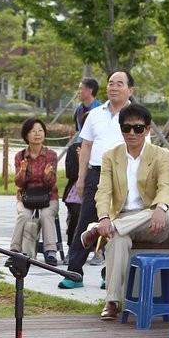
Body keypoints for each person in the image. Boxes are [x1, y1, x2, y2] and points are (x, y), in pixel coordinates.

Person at [77, 103, 169, 320]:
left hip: (153, 222)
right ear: (121, 129)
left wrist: (160, 207)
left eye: (138, 128)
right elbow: (103, 191)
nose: (132, 133)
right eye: (126, 128)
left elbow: (166, 186)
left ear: (147, 130)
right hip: (124, 220)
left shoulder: (161, 154)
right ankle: (112, 302)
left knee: (167, 213)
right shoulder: (110, 156)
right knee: (117, 239)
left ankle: (105, 228)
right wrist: (104, 217)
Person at [59, 70, 136, 289]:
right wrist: (81, 178)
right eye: (111, 83)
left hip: (123, 174)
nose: (113, 87)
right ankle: (74, 273)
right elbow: (86, 147)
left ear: (130, 90)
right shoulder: (95, 114)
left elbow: (142, 151)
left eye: (119, 84)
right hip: (96, 173)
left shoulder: (137, 115)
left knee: (114, 224)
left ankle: (107, 274)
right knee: (85, 222)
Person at [11, 117, 59, 264]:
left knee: (46, 215)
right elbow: (18, 183)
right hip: (26, 196)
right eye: (33, 131)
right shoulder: (20, 156)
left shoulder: (51, 155)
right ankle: (14, 251)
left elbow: (52, 183)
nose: (37, 134)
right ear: (26, 135)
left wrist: (47, 175)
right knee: (24, 215)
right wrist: (22, 171)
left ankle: (50, 252)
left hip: (48, 195)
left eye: (40, 130)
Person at [63, 110, 87, 245]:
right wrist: (80, 161)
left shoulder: (104, 149)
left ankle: (99, 249)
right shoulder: (74, 149)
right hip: (77, 191)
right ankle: (72, 246)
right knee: (77, 212)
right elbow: (70, 173)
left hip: (98, 189)